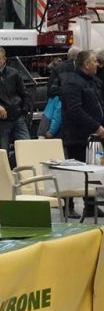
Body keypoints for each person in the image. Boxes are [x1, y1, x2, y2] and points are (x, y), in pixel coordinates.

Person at [61, 50, 102, 217]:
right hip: (76, 135)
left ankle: (90, 206)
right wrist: (96, 127)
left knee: (92, 171)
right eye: (94, 61)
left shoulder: (93, 81)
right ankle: (68, 206)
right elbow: (75, 110)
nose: (98, 64)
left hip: (91, 135)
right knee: (74, 172)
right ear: (86, 64)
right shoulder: (72, 83)